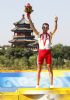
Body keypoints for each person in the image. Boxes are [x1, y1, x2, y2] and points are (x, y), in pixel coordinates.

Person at [27, 13, 58, 88]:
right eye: (44, 27)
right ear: (42, 28)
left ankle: (51, 84)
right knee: (39, 69)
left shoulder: (50, 34)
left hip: (48, 52)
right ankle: (37, 84)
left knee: (49, 68)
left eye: (46, 27)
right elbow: (33, 27)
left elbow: (55, 29)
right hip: (41, 52)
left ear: (48, 28)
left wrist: (56, 22)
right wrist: (29, 18)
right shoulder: (39, 34)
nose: (45, 28)